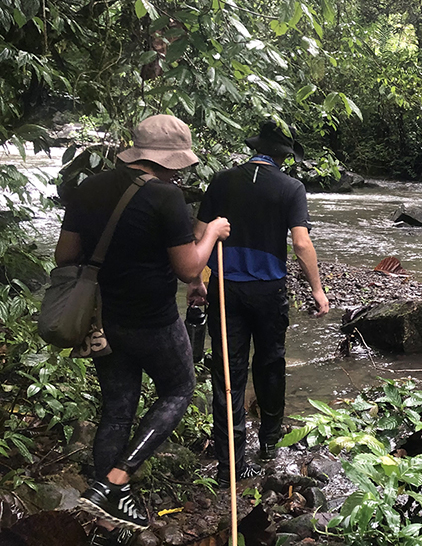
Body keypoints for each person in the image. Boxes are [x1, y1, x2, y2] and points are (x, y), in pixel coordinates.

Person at [54, 115, 230, 543]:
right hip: (151, 318)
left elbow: (65, 254)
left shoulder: (89, 188)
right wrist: (212, 233)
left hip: (102, 320)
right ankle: (115, 479)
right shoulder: (167, 197)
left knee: (117, 408)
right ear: (171, 160)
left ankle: (106, 521)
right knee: (179, 388)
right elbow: (188, 265)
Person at [189, 120, 329, 483]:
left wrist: (195, 281)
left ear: (255, 149)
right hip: (268, 291)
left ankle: (229, 464)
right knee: (270, 363)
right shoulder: (291, 188)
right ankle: (268, 442)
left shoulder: (221, 181)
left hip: (224, 288)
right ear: (284, 156)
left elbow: (200, 235)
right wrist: (317, 289)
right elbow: (300, 244)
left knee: (227, 374)